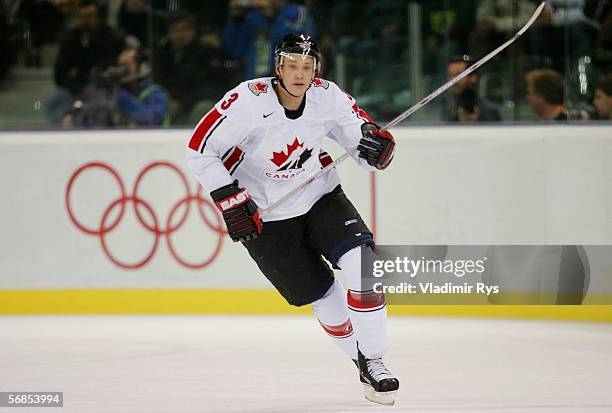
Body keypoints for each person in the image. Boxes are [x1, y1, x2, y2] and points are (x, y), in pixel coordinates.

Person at [186, 33, 399, 405]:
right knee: (325, 298)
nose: (300, 74)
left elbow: (363, 145)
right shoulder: (246, 102)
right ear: (278, 67)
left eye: (307, 66)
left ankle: (377, 359)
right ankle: (361, 360)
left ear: (316, 69)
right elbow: (200, 151)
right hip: (266, 217)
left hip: (319, 197)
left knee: (364, 266)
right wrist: (231, 200)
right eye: (292, 65)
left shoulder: (327, 97)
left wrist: (375, 148)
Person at [47, 0, 124, 126]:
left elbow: (110, 67)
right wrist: (77, 85)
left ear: (99, 18)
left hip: (104, 89)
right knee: (55, 100)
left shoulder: (112, 37)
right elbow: (59, 74)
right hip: (76, 88)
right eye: (81, 17)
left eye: (89, 16)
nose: (85, 21)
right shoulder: (71, 38)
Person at [155, 11, 227, 125]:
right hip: (169, 104)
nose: (180, 35)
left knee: (202, 108)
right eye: (175, 30)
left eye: (184, 30)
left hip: (196, 103)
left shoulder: (207, 53)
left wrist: (182, 103)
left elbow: (210, 87)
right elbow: (158, 82)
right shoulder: (163, 54)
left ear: (194, 31)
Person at [222, 0, 316, 78]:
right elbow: (235, 50)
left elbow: (299, 45)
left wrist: (272, 14)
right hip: (255, 82)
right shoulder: (253, 17)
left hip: (287, 81)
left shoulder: (298, 12)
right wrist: (236, 20)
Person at [442, 55, 502, 122]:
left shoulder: (489, 110)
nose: (452, 81)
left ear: (473, 77)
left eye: (458, 75)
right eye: (450, 75)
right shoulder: (448, 109)